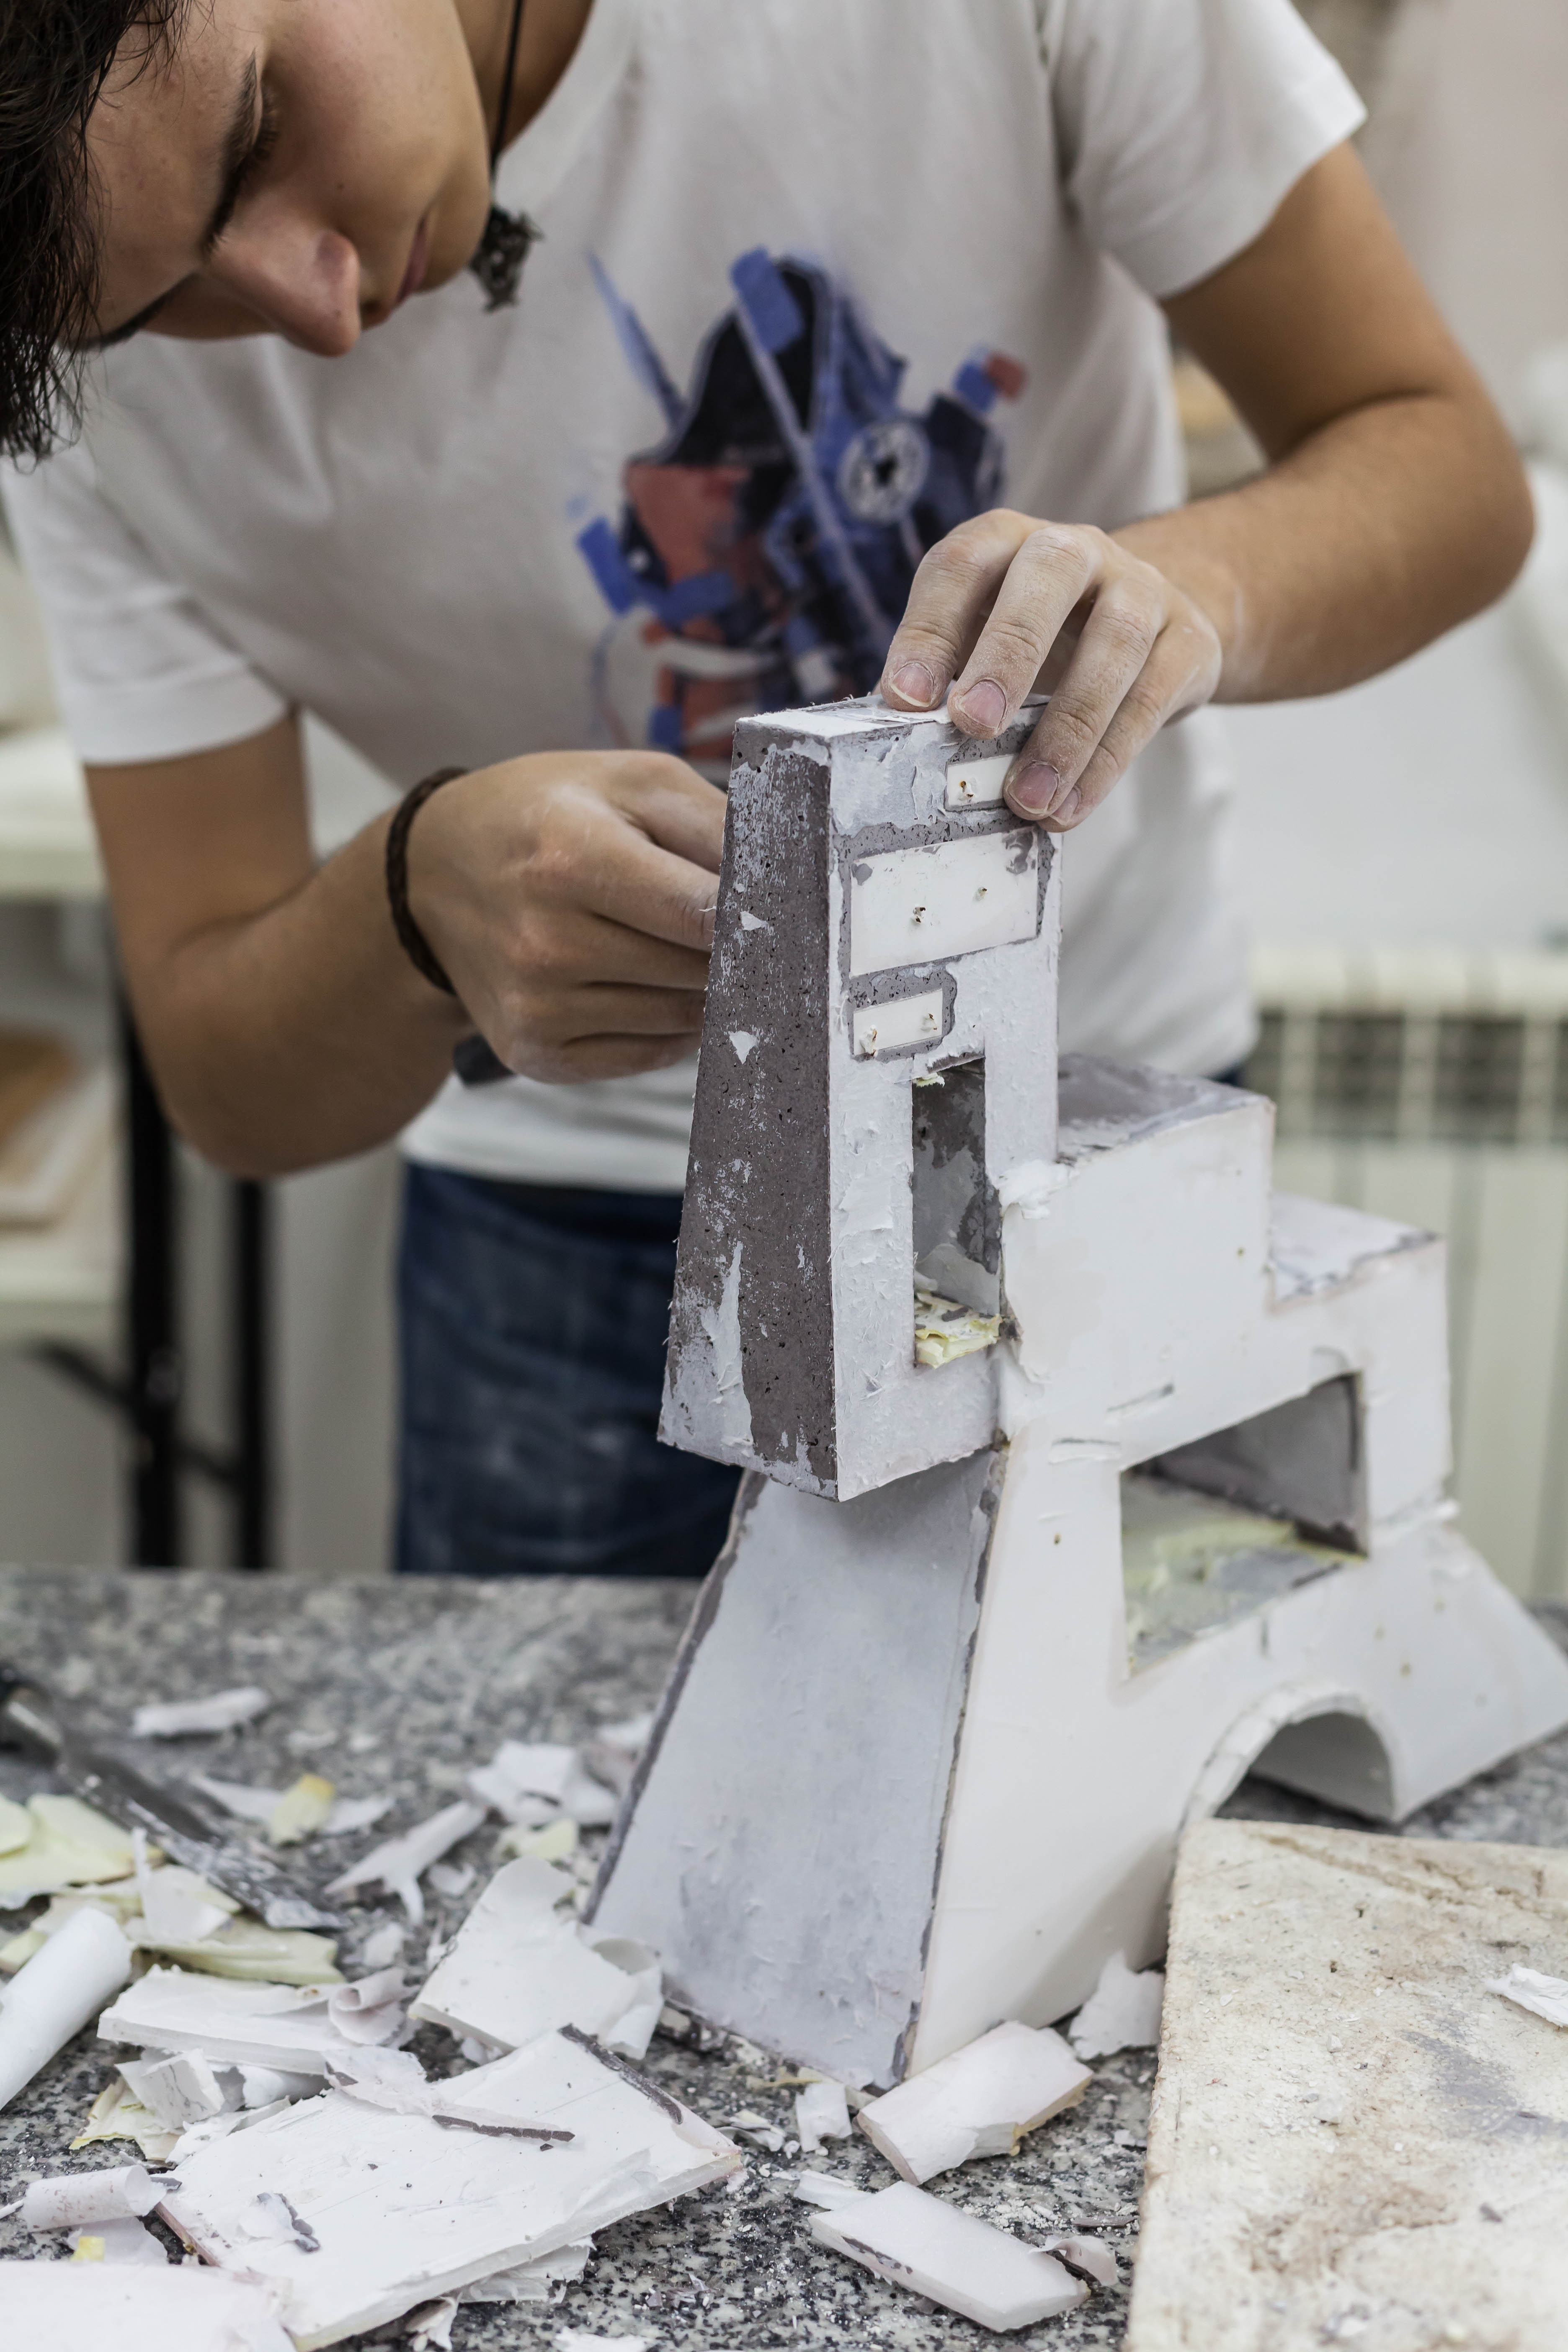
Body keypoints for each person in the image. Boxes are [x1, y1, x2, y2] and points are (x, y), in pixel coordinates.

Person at [0, 0, 1531, 1578]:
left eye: (257, 130)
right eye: (156, 309)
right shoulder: (63, 366)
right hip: (589, 1238)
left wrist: (1181, 592)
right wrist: (412, 900)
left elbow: (1441, 465)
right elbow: (226, 1072)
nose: (315, 310)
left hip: (1088, 1136)